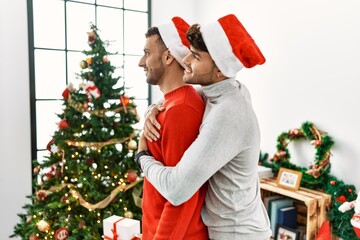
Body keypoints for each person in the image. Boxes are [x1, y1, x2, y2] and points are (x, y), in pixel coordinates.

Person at [135, 14, 272, 240]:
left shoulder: (228, 114)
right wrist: (152, 110)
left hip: (236, 234)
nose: (185, 59)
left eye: (196, 57)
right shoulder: (224, 90)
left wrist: (142, 156)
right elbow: (178, 97)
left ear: (219, 70)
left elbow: (176, 189)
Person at [136, 16, 208, 239]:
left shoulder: (182, 110)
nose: (141, 62)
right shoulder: (171, 104)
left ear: (168, 57)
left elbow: (182, 197)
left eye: (147, 53)